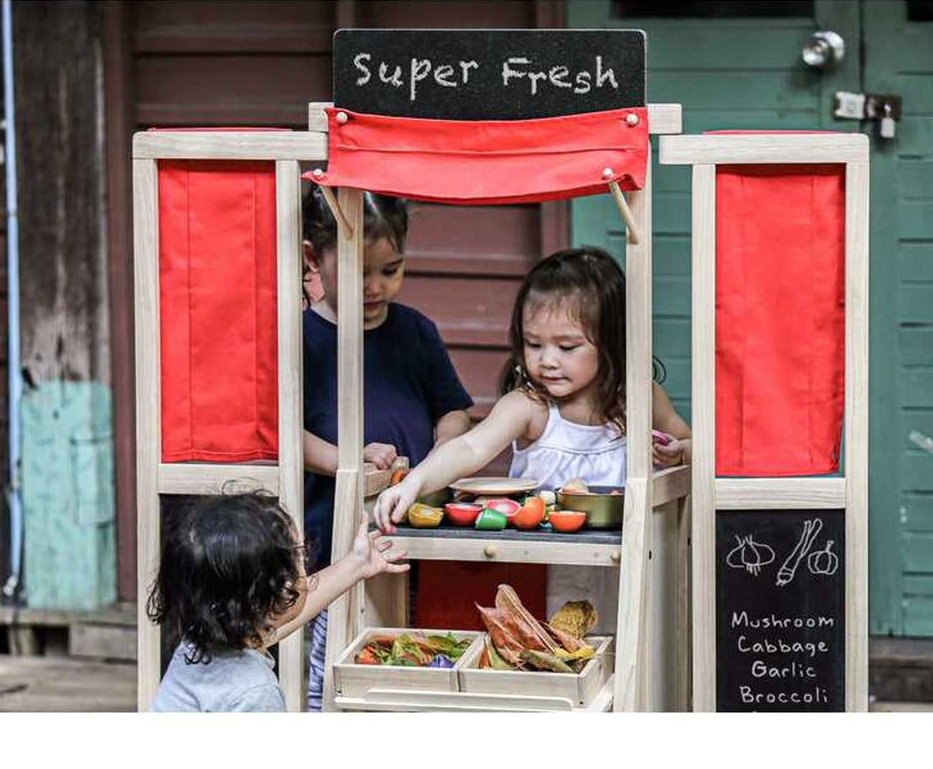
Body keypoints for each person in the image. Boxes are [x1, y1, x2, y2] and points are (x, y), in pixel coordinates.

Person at [374, 247, 691, 629]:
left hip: (630, 582)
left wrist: (679, 452)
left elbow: (690, 445)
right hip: (539, 586)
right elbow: (471, 446)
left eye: (567, 346)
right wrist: (416, 482)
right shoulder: (530, 406)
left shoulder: (639, 398)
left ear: (611, 341)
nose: (547, 360)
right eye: (534, 344)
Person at [300, 184, 473, 710]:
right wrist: (347, 461)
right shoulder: (298, 336)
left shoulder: (416, 332)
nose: (376, 286)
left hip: (411, 531)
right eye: (358, 271)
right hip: (329, 539)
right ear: (314, 257)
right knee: (332, 668)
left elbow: (453, 409)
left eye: (390, 270)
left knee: (408, 650)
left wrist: (441, 453)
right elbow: (284, 434)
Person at [148, 491, 408, 712]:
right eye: (299, 558)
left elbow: (276, 622)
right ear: (279, 596)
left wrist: (357, 563)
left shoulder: (200, 642)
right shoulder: (255, 693)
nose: (304, 566)